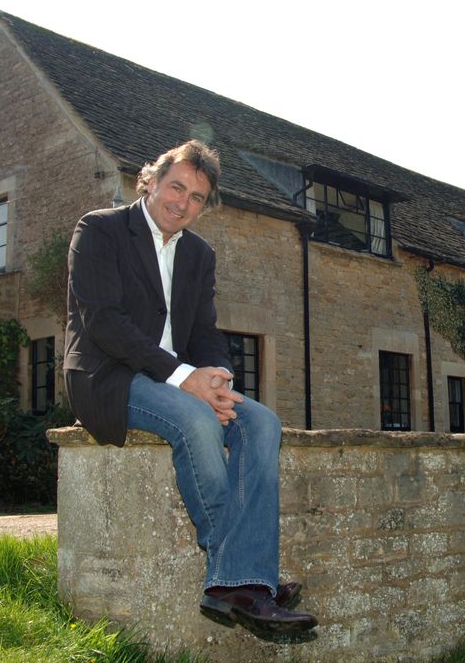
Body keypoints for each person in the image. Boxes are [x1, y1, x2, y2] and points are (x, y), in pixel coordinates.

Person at [63, 140, 317, 635]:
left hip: (179, 380)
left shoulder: (199, 254)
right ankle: (245, 579)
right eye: (176, 187)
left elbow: (204, 332)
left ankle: (235, 582)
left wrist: (217, 378)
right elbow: (104, 323)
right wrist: (187, 380)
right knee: (197, 419)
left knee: (261, 422)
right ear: (151, 182)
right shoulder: (99, 229)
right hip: (108, 376)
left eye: (198, 196)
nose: (183, 202)